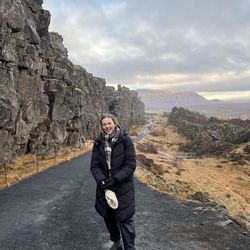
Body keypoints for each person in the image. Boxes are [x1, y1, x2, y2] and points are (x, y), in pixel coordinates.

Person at [90, 113, 136, 250]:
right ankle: (117, 243)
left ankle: (129, 247)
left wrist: (115, 179)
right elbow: (94, 165)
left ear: (115, 123)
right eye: (104, 124)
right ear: (101, 126)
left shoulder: (126, 140)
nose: (107, 126)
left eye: (109, 123)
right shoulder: (98, 142)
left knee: (125, 218)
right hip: (105, 187)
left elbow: (131, 164)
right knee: (108, 217)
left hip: (123, 187)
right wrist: (102, 180)